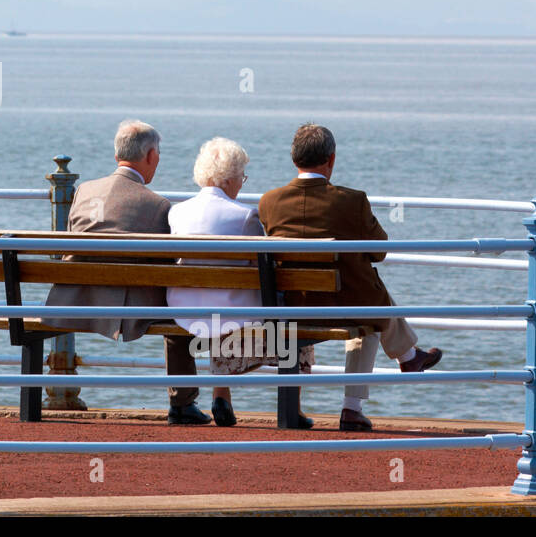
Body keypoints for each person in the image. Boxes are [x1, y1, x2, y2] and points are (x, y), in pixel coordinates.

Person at [257, 124, 443, 432]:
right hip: (344, 306)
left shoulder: (269, 202)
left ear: (294, 160)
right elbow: (379, 251)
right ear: (331, 159)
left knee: (371, 306)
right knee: (371, 313)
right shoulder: (352, 201)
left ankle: (408, 357)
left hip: (292, 307)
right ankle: (354, 406)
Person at [43, 119, 208, 424]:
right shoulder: (158, 205)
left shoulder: (84, 191)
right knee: (182, 312)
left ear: (117, 154)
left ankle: (35, 398)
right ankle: (182, 404)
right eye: (157, 154)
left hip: (75, 300)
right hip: (129, 310)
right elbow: (166, 267)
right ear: (149, 156)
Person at [166, 137, 314, 428]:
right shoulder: (246, 216)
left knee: (221, 303)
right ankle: (291, 408)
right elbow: (264, 266)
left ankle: (222, 395)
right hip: (230, 312)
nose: (242, 184)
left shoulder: (176, 212)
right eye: (242, 177)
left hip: (185, 311)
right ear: (231, 178)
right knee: (291, 319)